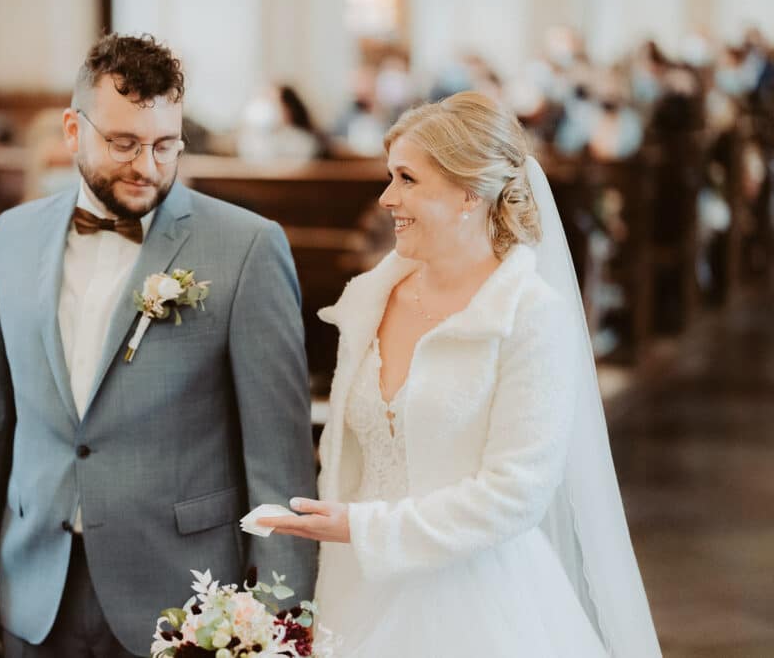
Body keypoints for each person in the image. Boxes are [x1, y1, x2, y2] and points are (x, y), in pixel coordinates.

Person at [0, 33, 317, 658]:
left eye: (165, 146)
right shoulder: (13, 235)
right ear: (71, 129)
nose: (147, 166)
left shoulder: (246, 247)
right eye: (124, 144)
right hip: (35, 593)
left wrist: (278, 622)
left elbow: (279, 456)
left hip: (188, 603)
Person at [259, 92, 662, 656]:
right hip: (357, 589)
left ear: (468, 191)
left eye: (407, 179)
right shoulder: (372, 296)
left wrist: (364, 527)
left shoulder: (528, 314)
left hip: (472, 601)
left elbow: (516, 493)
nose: (386, 197)